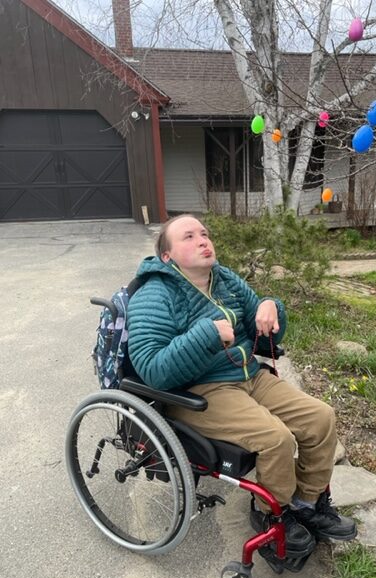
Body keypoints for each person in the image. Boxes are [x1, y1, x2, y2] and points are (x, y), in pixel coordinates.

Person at [127, 214, 357, 558]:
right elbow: (152, 370)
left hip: (249, 375)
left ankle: (306, 503)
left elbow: (266, 329)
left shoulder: (224, 279)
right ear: (167, 256)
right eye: (188, 237)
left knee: (320, 418)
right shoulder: (153, 295)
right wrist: (207, 334)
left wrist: (269, 306)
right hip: (199, 392)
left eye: (204, 233)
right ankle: (272, 516)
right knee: (275, 438)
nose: (203, 240)